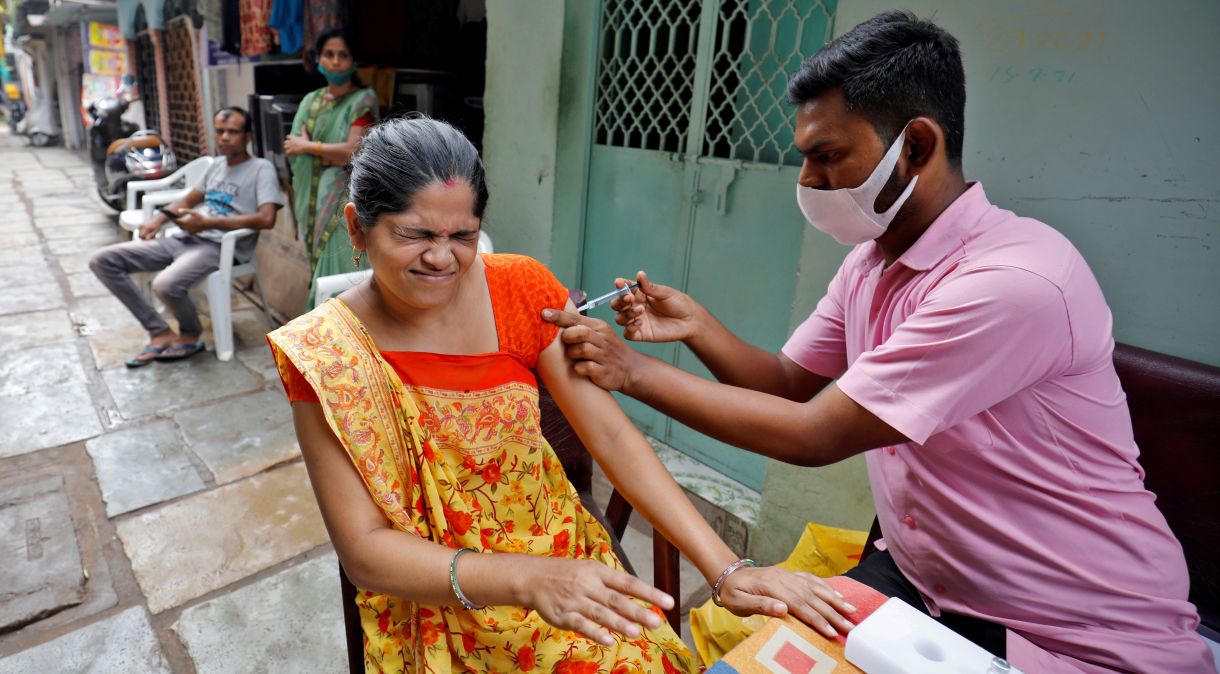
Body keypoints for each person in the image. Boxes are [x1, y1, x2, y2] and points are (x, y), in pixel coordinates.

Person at [542, 11, 1215, 674]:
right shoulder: (874, 262)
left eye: (827, 157)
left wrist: (630, 371)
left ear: (917, 145)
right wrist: (697, 326)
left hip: (1067, 627)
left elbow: (813, 434)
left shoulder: (1013, 283)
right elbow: (784, 382)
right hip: (928, 589)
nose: (806, 182)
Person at [266, 116, 856, 673]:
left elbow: (613, 436)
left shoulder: (520, 289)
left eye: (463, 235)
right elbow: (366, 551)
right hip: (439, 597)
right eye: (415, 234)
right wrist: (528, 579)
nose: (443, 257)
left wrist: (726, 570)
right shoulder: (324, 356)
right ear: (356, 228)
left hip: (572, 568)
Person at [90, 106, 282, 367]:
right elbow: (189, 199)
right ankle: (160, 331)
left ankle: (190, 334)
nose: (225, 137)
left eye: (233, 132)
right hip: (185, 238)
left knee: (165, 285)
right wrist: (158, 219)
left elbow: (266, 218)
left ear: (248, 136)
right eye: (220, 131)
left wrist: (209, 223)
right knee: (103, 260)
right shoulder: (216, 166)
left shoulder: (261, 169)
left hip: (218, 247)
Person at [283, 27, 379, 307]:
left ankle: (347, 328)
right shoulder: (310, 100)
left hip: (344, 200)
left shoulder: (362, 100)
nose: (335, 61)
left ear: (354, 62)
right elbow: (292, 146)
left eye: (343, 55)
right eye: (329, 54)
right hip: (313, 201)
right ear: (318, 59)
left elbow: (354, 150)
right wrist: (326, 153)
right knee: (318, 262)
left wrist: (311, 148)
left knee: (341, 264)